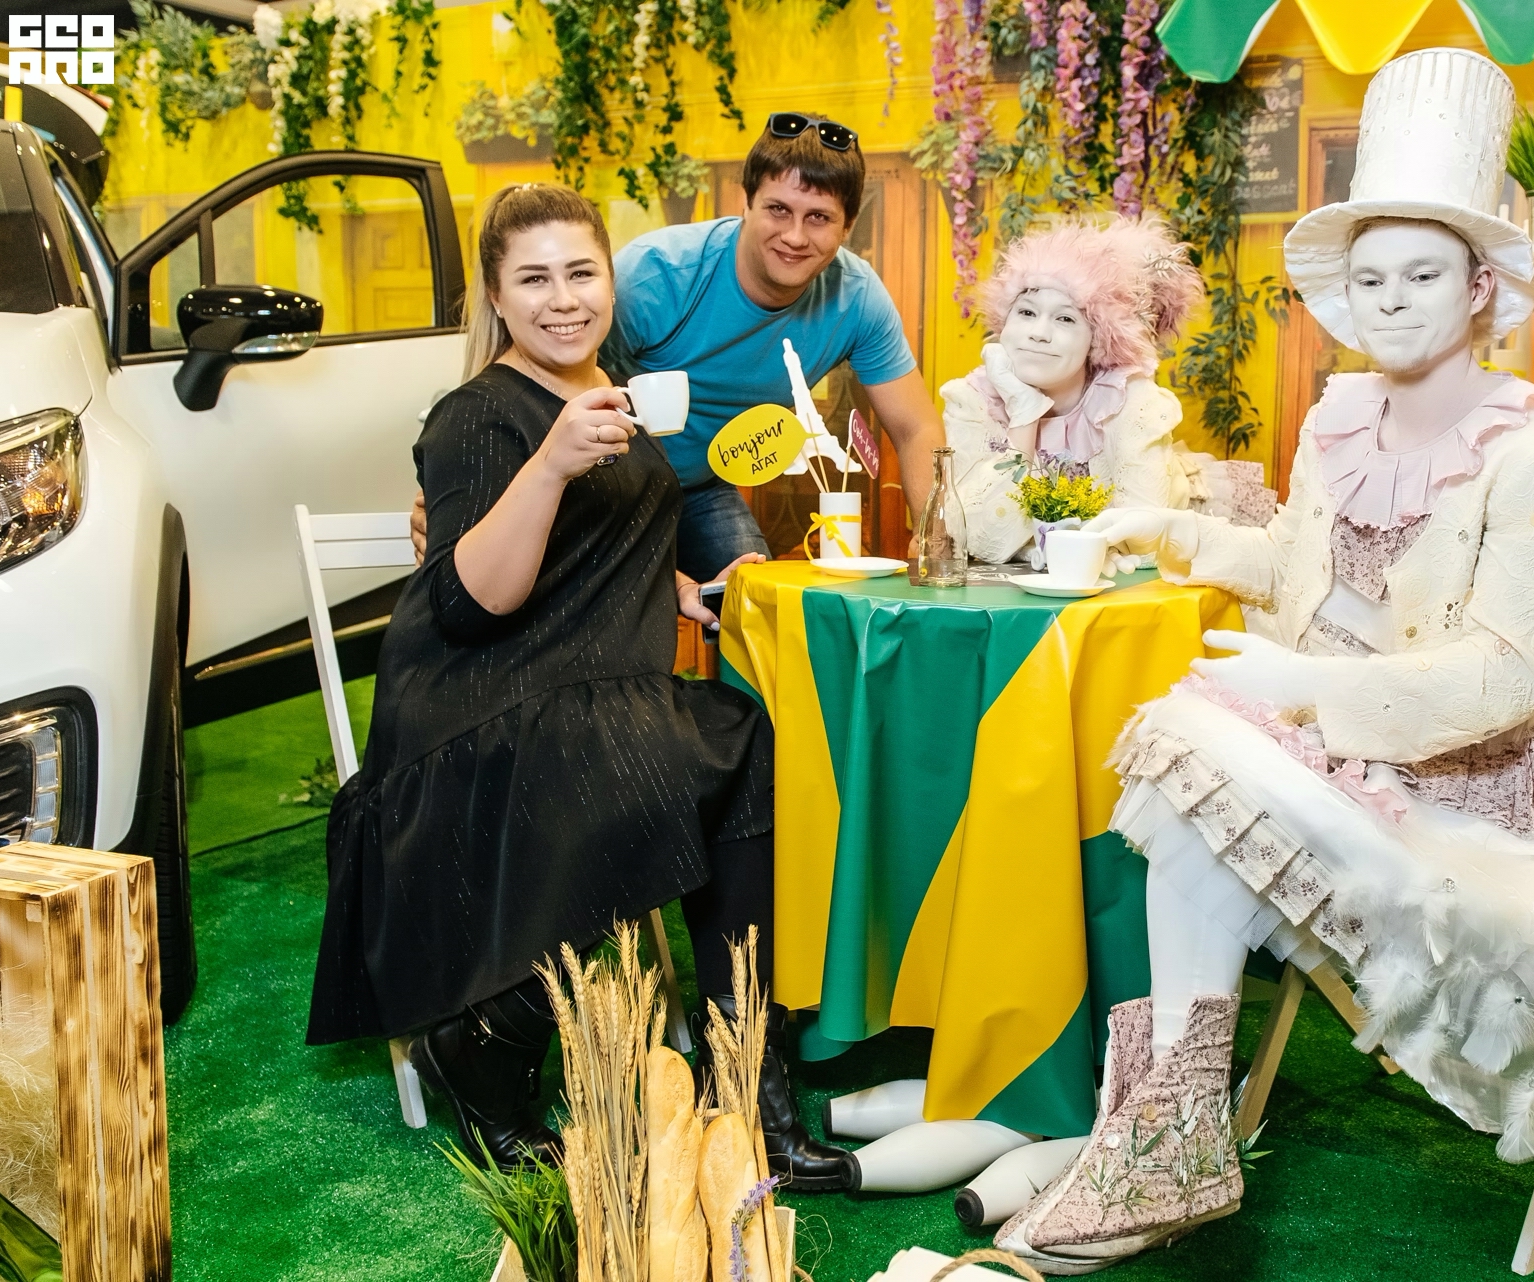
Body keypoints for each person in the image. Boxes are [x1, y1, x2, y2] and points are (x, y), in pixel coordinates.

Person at [998, 49, 1534, 1271]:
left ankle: (1164, 1140)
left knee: (1191, 754)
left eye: (1423, 275)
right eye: (1370, 279)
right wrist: (1169, 528)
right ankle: (1169, 1136)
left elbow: (1508, 679)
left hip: (1484, 797)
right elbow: (1295, 566)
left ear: (1481, 288)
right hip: (1346, 756)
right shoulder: (1335, 416)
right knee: (1195, 762)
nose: (1392, 302)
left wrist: (1305, 690)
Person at [308, 184, 854, 1189]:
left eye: (581, 273)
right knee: (690, 746)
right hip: (481, 708)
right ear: (496, 297)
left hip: (588, 690)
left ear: (611, 279)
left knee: (746, 741)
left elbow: (602, 544)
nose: (563, 299)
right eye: (534, 279)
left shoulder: (618, 391)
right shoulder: (477, 416)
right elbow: (475, 602)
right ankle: (488, 1035)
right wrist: (549, 466)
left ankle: (748, 1089)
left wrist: (684, 590)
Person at [410, 111, 946, 580]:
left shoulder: (857, 298)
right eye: (778, 210)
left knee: (751, 606)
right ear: (746, 204)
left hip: (701, 484)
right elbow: (528, 377)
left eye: (819, 218)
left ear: (848, 226)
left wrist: (934, 534)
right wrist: (467, 486)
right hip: (604, 479)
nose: (795, 236)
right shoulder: (656, 277)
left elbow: (915, 427)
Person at [945, 216, 1273, 567]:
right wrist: (1024, 415)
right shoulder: (971, 400)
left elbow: (1145, 542)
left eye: (1065, 319)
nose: (1038, 333)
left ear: (1097, 340)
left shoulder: (1129, 401)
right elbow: (980, 541)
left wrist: (1054, 548)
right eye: (1026, 312)